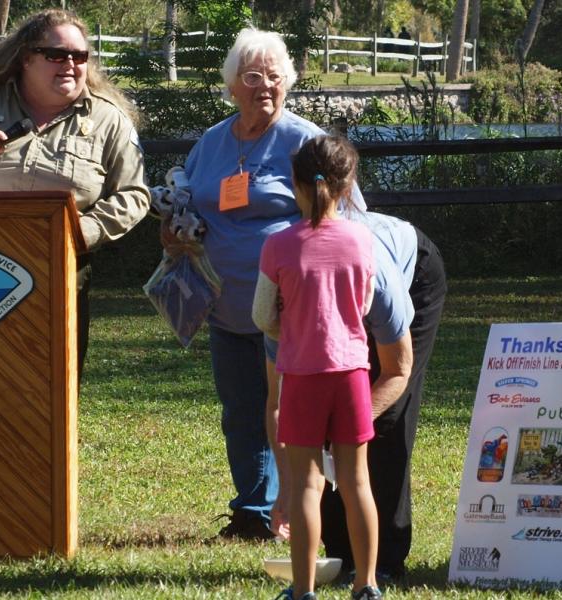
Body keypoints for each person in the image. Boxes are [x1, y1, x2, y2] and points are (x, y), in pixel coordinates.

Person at [183, 27, 364, 541]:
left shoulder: (305, 141)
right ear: (231, 85)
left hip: (293, 310)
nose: (265, 85)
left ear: (289, 82)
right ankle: (252, 510)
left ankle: (294, 509)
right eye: (253, 75)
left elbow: (351, 220)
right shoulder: (213, 141)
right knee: (240, 412)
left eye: (275, 75)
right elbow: (191, 201)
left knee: (288, 413)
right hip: (225, 303)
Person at [0, 9, 150, 374]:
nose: (70, 64)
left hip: (59, 265)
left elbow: (134, 194)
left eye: (79, 56)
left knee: (49, 381)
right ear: (26, 58)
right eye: (57, 55)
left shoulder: (108, 120)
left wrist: (82, 231)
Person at [269, 208, 443, 582]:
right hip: (340, 310)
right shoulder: (281, 289)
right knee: (323, 443)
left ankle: (383, 565)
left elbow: (398, 370)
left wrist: (349, 422)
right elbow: (277, 404)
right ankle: (339, 558)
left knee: (384, 424)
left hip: (413, 275)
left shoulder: (374, 269)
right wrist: (286, 480)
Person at [252, 135, 382, 600]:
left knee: (308, 482)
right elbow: (364, 304)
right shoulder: (362, 240)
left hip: (302, 376)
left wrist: (291, 321)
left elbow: (262, 317)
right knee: (357, 481)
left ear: (295, 185)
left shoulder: (278, 245)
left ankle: (302, 590)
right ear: (349, 185)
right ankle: (367, 585)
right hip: (351, 375)